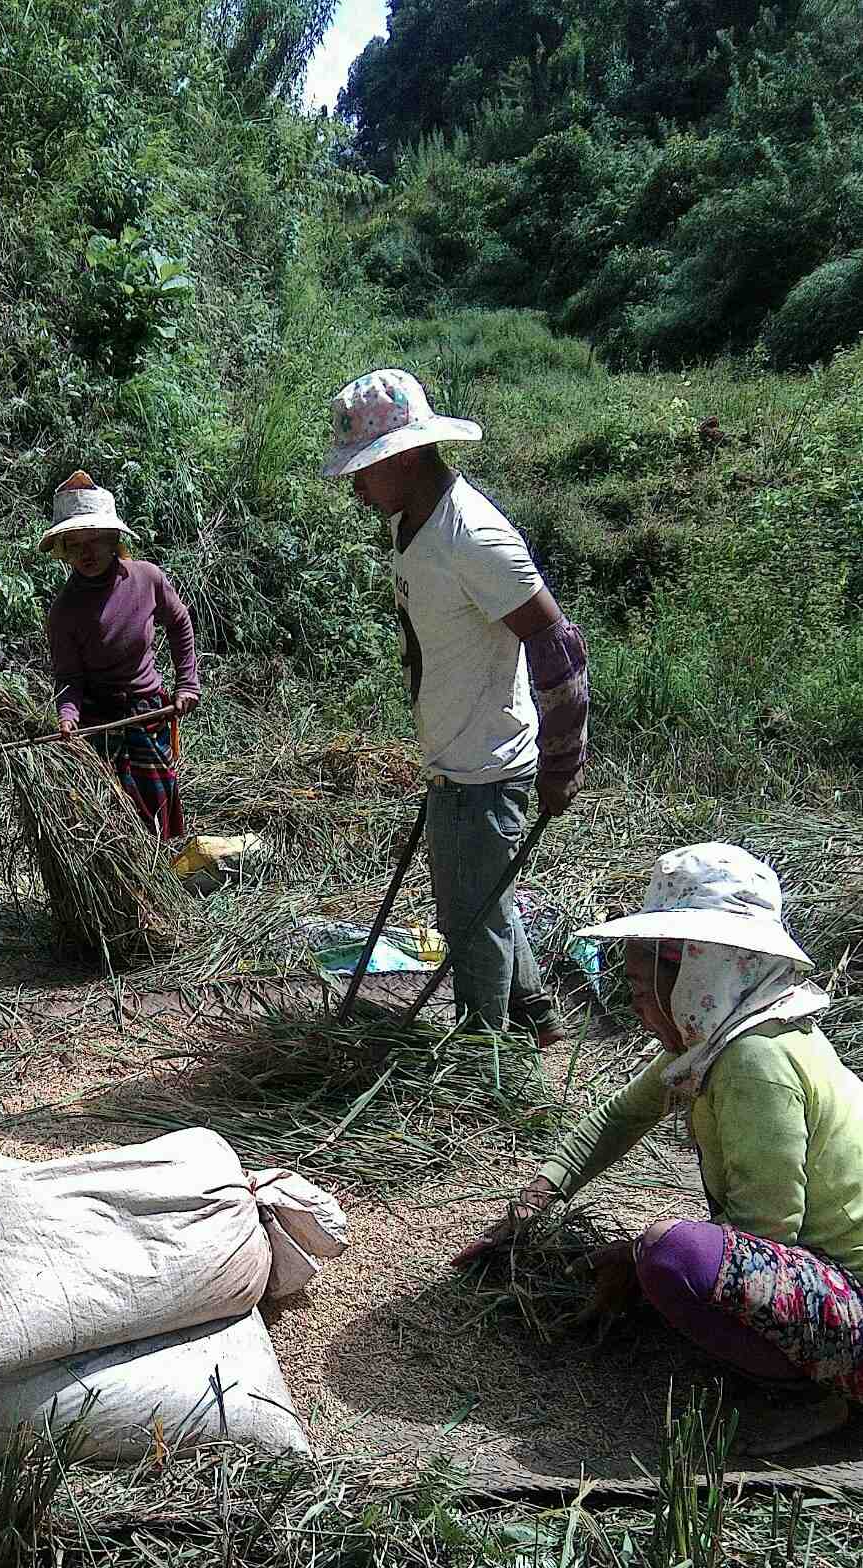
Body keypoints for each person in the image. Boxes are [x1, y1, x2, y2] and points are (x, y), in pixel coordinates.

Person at [457, 844, 863, 1456]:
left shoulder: (755, 1061)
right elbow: (620, 1117)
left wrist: (637, 1259)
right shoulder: (720, 1040)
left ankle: (808, 1395)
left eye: (640, 987)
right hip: (828, 1289)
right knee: (669, 1259)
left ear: (696, 973)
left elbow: (767, 1232)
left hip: (852, 1318)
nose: (637, 1005)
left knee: (673, 1255)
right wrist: (531, 1203)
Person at [322, 371, 590, 1041]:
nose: (357, 489)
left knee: (469, 919)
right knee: (482, 898)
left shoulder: (472, 535)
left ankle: (484, 1056)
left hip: (486, 764)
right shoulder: (411, 520)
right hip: (455, 753)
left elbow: (556, 644)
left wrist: (563, 762)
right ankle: (534, 1013)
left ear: (406, 457)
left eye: (364, 471)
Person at [41, 471, 199, 840]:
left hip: (148, 713)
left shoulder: (147, 579)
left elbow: (179, 622)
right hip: (99, 721)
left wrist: (187, 683)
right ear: (64, 550)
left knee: (157, 809)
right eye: (75, 544)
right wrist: (68, 717)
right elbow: (69, 677)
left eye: (94, 540)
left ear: (113, 539)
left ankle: (161, 865)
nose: (86, 552)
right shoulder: (64, 611)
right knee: (108, 819)